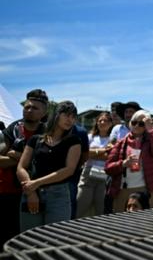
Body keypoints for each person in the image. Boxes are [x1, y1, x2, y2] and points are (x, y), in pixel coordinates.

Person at [16, 101, 82, 231]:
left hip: (58, 196)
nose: (70, 120)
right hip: (31, 193)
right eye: (67, 115)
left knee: (55, 239)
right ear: (56, 115)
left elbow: (69, 170)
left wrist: (36, 183)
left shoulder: (74, 141)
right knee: (29, 238)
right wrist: (31, 192)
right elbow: (21, 168)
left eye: (73, 117)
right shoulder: (35, 139)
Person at [0, 89, 48, 244]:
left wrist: (18, 156)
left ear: (44, 112)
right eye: (27, 107)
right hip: (7, 191)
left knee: (29, 237)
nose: (29, 110)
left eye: (35, 108)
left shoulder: (47, 133)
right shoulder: (13, 128)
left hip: (37, 191)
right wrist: (28, 160)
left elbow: (47, 162)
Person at [105, 110, 153, 212]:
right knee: (121, 220)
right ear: (130, 124)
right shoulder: (121, 143)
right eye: (134, 122)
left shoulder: (151, 141)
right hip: (123, 189)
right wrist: (123, 164)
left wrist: (151, 129)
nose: (137, 126)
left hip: (147, 189)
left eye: (141, 124)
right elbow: (108, 167)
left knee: (145, 220)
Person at [76, 112, 113, 217]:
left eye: (105, 120)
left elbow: (110, 156)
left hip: (105, 176)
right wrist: (103, 150)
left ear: (111, 123)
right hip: (88, 174)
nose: (102, 122)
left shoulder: (112, 139)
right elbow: (84, 153)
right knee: (80, 204)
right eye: (100, 120)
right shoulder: (90, 137)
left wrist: (93, 152)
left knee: (100, 208)